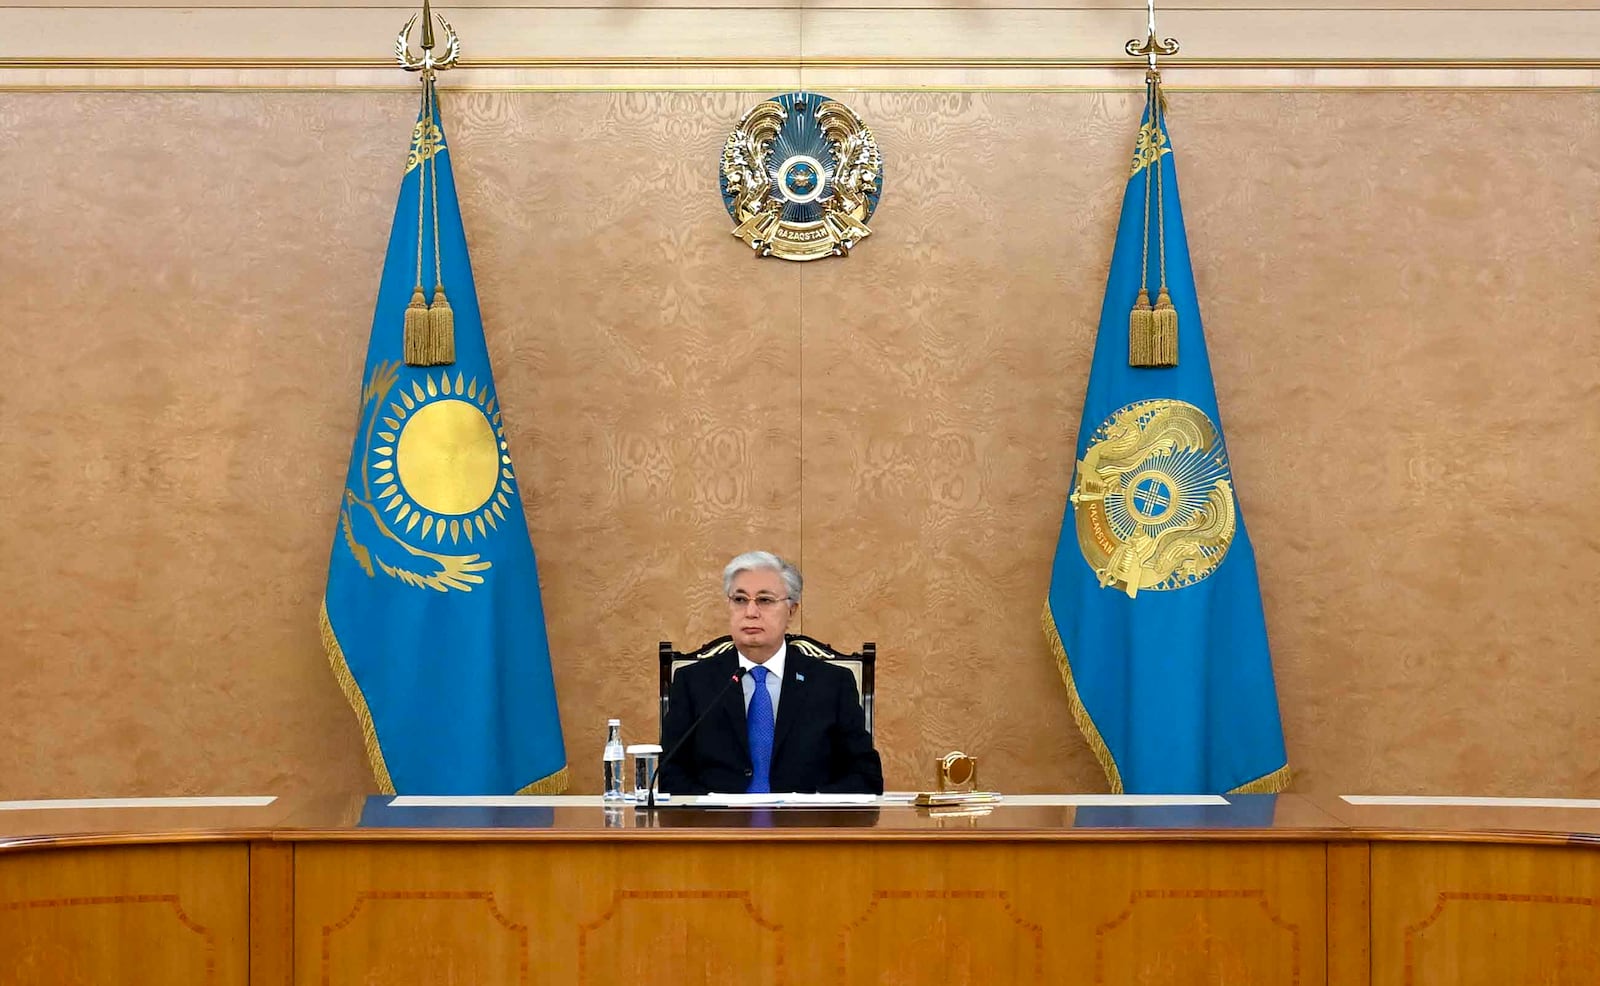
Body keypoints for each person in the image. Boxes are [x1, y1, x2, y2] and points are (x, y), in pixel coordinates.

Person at [658, 551, 884, 795]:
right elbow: (669, 775)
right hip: (719, 829)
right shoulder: (694, 682)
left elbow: (865, 776)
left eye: (764, 600)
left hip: (805, 828)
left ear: (791, 610)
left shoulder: (831, 683)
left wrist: (810, 807)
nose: (751, 612)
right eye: (740, 600)